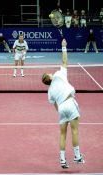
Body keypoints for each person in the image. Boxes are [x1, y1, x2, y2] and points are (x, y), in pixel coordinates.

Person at [42, 39, 85, 169]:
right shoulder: (59, 75)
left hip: (61, 109)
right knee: (75, 131)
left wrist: (62, 110)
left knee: (62, 134)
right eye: (48, 73)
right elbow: (65, 61)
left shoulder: (49, 91)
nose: (50, 72)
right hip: (69, 104)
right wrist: (64, 47)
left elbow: (55, 105)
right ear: (49, 78)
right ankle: (77, 157)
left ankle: (62, 160)